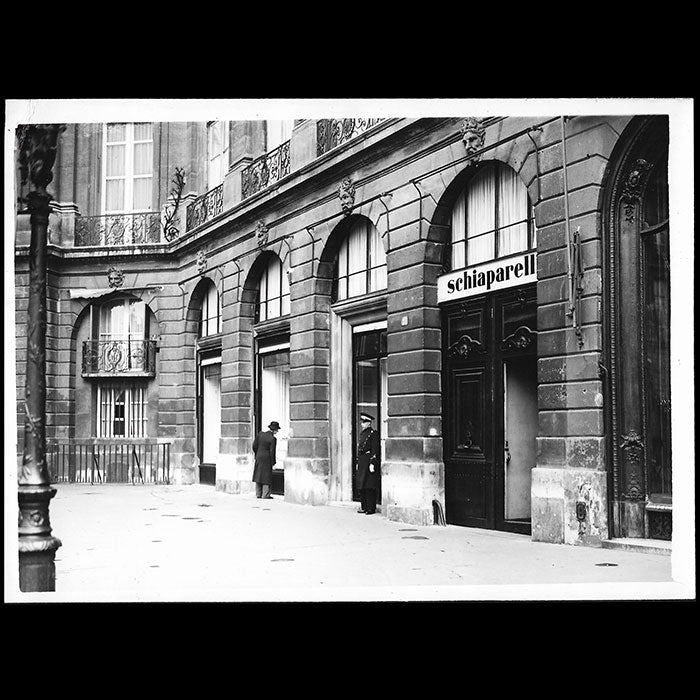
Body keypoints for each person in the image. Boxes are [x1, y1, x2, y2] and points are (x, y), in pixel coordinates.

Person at [355, 412, 380, 515]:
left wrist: (372, 463)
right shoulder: (362, 434)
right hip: (362, 461)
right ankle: (364, 506)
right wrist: (357, 462)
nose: (362, 424)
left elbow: (374, 449)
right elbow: (359, 449)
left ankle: (371, 508)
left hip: (368, 461)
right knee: (362, 485)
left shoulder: (373, 433)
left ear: (369, 423)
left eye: (364, 422)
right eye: (362, 422)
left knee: (369, 486)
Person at [252, 421, 280, 499]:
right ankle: (265, 494)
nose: (277, 432)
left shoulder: (260, 434)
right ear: (274, 430)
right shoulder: (273, 439)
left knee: (258, 474)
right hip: (267, 458)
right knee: (266, 476)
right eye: (277, 430)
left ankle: (258, 493)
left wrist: (257, 453)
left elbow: (254, 446)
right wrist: (273, 463)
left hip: (259, 456)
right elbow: (272, 451)